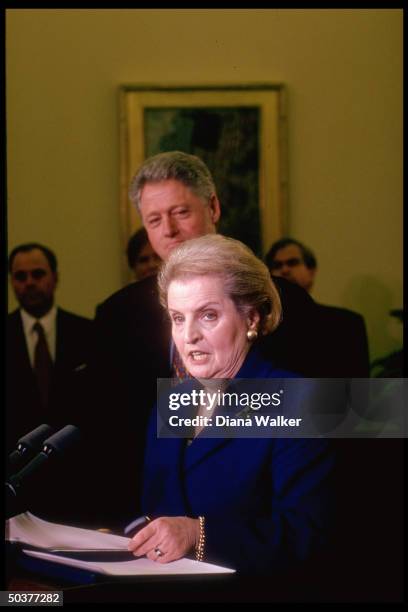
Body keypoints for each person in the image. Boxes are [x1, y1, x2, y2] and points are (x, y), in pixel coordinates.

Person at [90, 151, 319, 527]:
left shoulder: (289, 304)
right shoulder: (118, 314)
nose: (169, 230)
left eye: (180, 212)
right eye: (154, 219)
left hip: (257, 535)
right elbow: (114, 435)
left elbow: (330, 422)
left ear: (213, 206)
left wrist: (202, 535)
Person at [127, 235, 335, 575]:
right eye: (178, 318)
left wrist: (198, 535)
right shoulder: (172, 402)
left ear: (251, 319)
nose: (188, 335)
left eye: (207, 315)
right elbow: (153, 509)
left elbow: (308, 535)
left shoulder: (300, 400)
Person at [7, 243, 94, 522]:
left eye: (38, 274)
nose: (30, 283)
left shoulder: (87, 332)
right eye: (21, 277)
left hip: (75, 479)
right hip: (14, 480)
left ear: (54, 277)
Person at [265, 237, 370, 377]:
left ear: (311, 271)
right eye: (277, 265)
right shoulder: (261, 326)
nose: (284, 270)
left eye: (293, 263)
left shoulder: (347, 324)